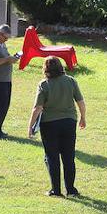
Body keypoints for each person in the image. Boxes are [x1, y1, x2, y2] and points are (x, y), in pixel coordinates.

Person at [27, 55, 86, 196]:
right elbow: (81, 102)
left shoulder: (44, 84)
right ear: (60, 67)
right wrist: (83, 118)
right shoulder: (71, 81)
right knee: (68, 157)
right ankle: (71, 190)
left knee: (52, 157)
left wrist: (30, 126)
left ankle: (56, 190)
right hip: (69, 122)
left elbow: (38, 108)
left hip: (50, 124)